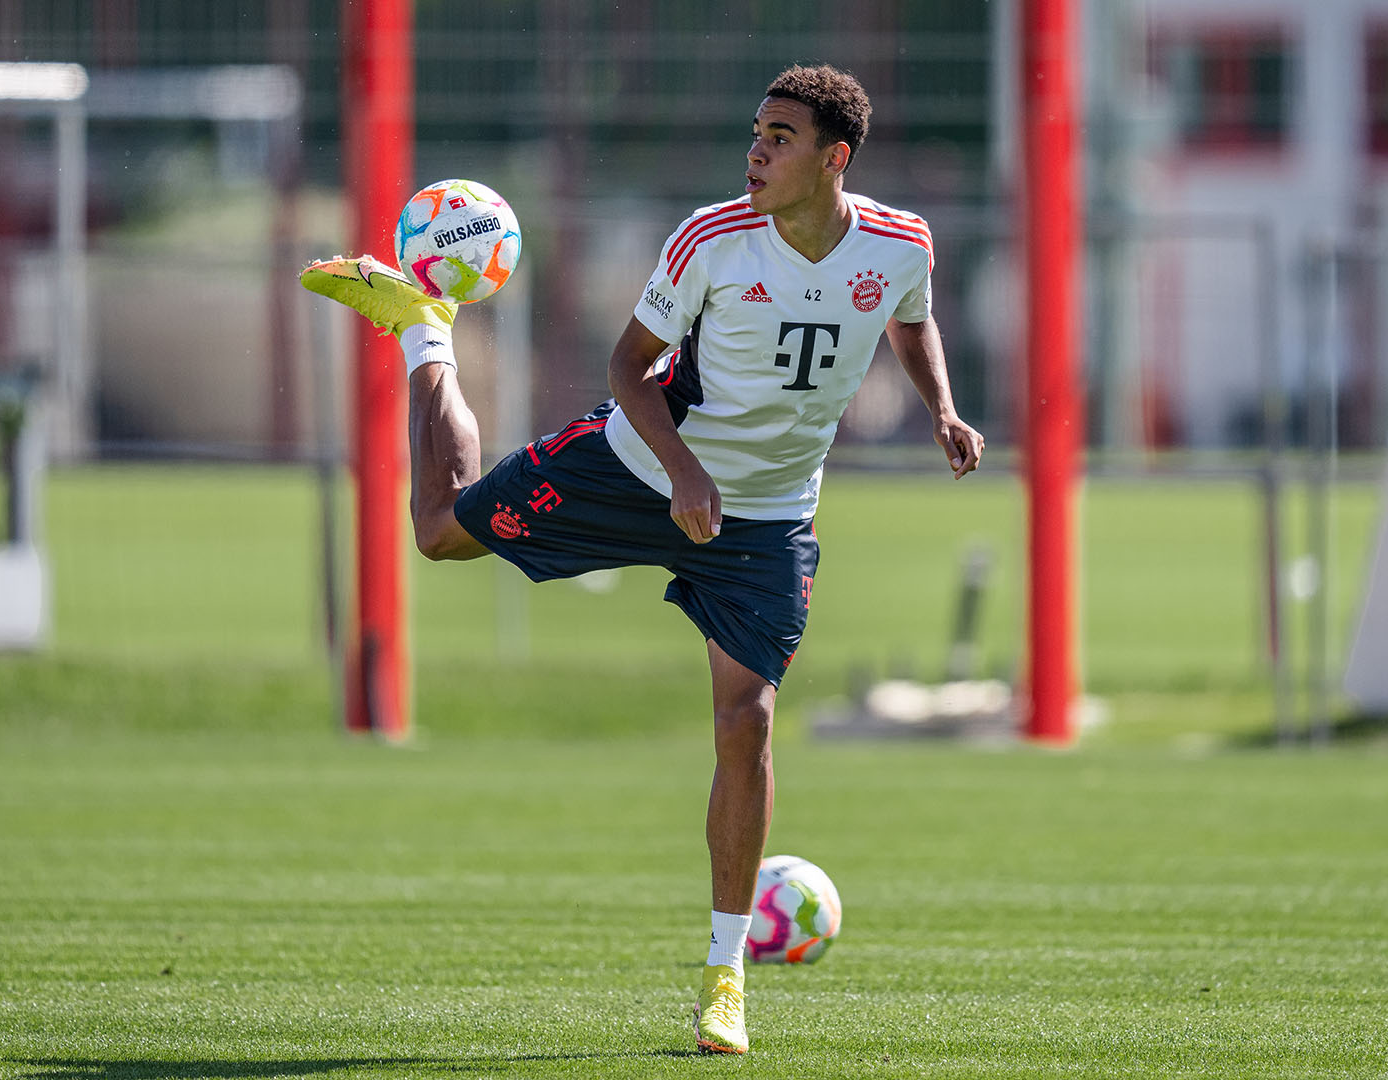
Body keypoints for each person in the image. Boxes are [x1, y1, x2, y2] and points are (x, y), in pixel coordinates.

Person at [301, 63, 983, 1055]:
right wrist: (684, 473)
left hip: (767, 522)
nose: (756, 150)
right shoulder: (710, 240)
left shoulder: (901, 243)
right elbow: (627, 368)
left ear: (834, 159)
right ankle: (425, 333)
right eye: (755, 131)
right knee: (438, 531)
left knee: (746, 724)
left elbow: (911, 322)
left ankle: (723, 980)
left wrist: (942, 409)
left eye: (781, 138)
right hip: (637, 468)